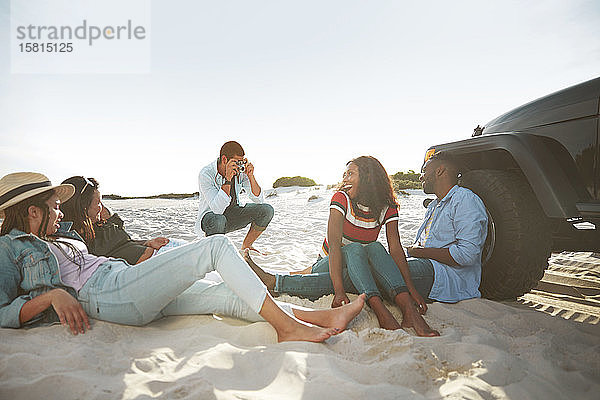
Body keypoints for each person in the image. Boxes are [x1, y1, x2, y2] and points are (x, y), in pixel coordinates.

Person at [0, 172, 365, 343]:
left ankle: (319, 315)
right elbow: (2, 309)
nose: (60, 213)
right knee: (217, 245)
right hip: (110, 293)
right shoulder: (10, 248)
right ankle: (287, 328)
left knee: (226, 294)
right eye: (53, 207)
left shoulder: (57, 237)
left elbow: (102, 240)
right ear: (32, 212)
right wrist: (51, 295)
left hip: (123, 283)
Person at [246, 152, 488, 337]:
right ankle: (289, 278)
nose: (421, 175)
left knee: (362, 263)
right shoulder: (435, 206)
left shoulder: (464, 200)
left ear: (441, 171)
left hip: (444, 276)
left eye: (425, 170)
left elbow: (464, 254)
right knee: (364, 251)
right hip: (365, 260)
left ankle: (278, 281)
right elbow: (340, 243)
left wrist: (416, 257)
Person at [60, 176, 170, 265]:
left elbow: (125, 242)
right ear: (83, 207)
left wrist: (147, 242)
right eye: (98, 202)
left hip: (161, 256)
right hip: (156, 267)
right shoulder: (76, 243)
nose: (102, 207)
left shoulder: (98, 226)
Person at [195, 141, 274, 252]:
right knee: (219, 220)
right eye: (236, 162)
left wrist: (251, 176)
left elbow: (259, 200)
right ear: (224, 160)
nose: (239, 166)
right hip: (211, 219)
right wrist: (228, 179)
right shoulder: (206, 174)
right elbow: (217, 210)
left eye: (241, 162)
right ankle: (214, 253)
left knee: (267, 210)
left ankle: (247, 246)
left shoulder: (240, 172)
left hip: (232, 215)